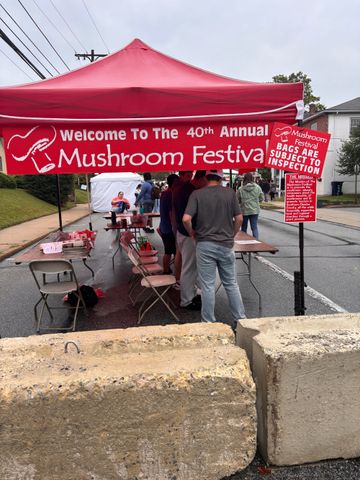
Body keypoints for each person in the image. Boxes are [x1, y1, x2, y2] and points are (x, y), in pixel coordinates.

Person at [182, 169, 246, 330]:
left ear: (206, 177)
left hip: (204, 244)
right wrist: (232, 234)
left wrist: (192, 234)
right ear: (221, 177)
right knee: (231, 283)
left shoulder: (197, 194)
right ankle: (240, 321)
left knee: (208, 286)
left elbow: (186, 219)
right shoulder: (230, 193)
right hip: (225, 244)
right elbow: (239, 218)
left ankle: (208, 323)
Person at [173, 170, 207, 310]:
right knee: (189, 268)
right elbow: (189, 217)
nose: (207, 184)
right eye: (207, 180)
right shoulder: (190, 192)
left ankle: (190, 295)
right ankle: (186, 300)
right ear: (201, 178)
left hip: (183, 233)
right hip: (188, 234)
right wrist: (193, 232)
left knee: (190, 267)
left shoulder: (185, 189)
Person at [159, 174, 179, 274]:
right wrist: (175, 229)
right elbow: (171, 214)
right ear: (174, 183)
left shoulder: (164, 193)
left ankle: (166, 270)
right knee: (173, 252)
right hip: (169, 228)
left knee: (168, 251)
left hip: (164, 227)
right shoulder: (170, 194)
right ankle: (171, 272)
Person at [237, 172, 264, 239]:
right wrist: (257, 201)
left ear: (244, 179)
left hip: (244, 210)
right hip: (255, 210)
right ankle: (256, 241)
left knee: (244, 227)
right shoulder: (258, 187)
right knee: (254, 227)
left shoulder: (241, 189)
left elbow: (237, 200)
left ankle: (244, 241)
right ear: (253, 178)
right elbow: (261, 198)